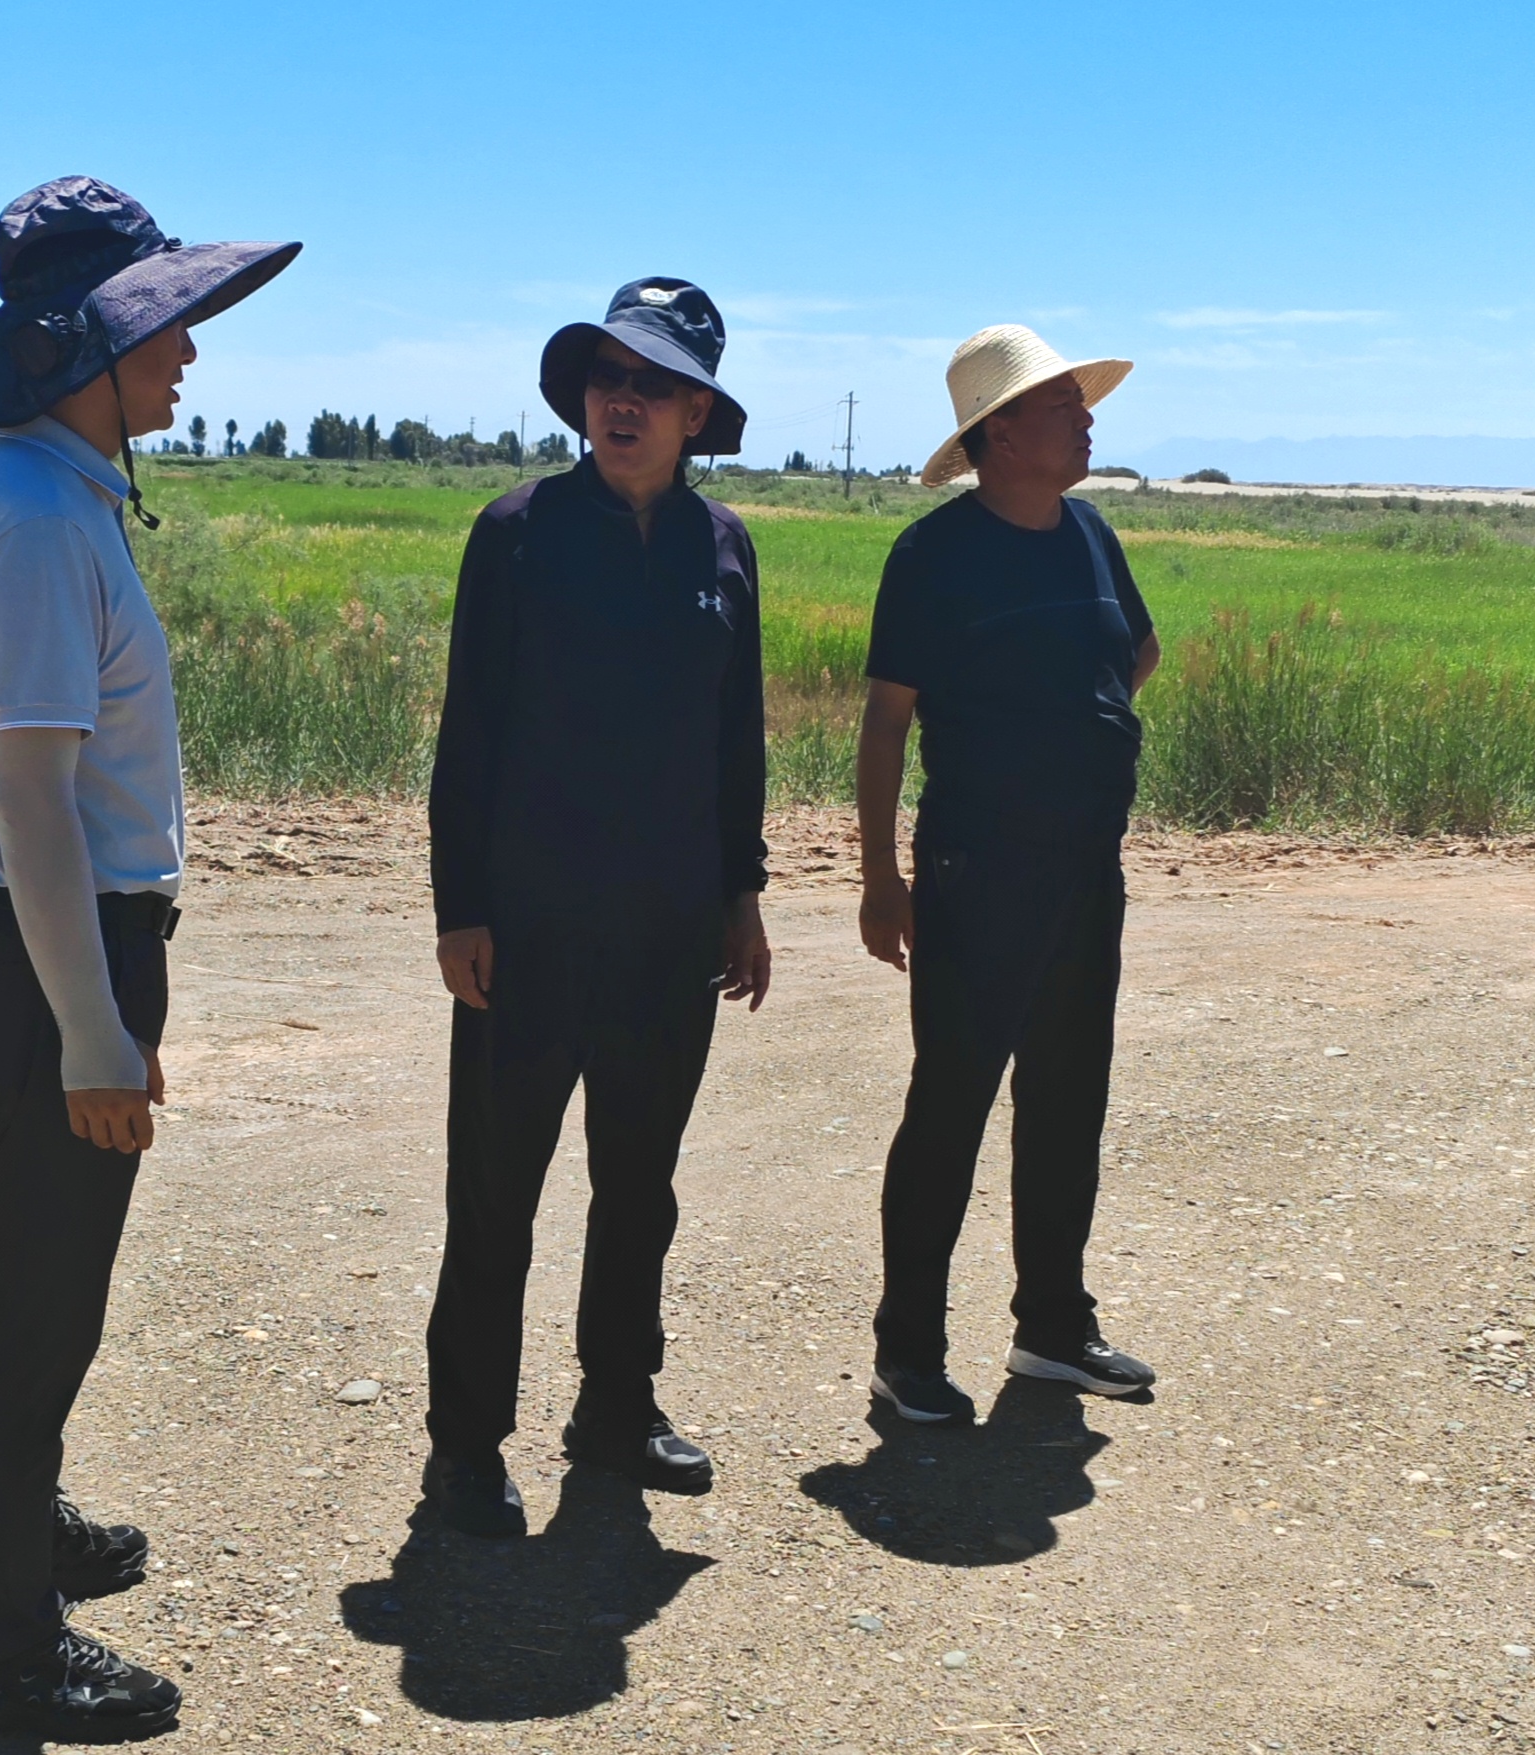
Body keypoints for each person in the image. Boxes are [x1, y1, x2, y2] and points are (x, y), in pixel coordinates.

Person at [0, 175, 298, 1741]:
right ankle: (2, 1642)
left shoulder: (4, 483)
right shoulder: (37, 517)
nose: (186, 351)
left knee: (42, 1284)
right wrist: (92, 1027)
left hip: (21, 950)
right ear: (80, 347)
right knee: (28, 1309)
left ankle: (26, 1522)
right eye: (160, 326)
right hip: (40, 953)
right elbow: (35, 801)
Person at [422, 279, 773, 1537]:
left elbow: (737, 741)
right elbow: (468, 735)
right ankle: (465, 1444)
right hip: (525, 931)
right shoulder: (515, 533)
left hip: (668, 934)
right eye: (605, 378)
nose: (622, 402)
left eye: (652, 385)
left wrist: (741, 895)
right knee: (493, 1195)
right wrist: (460, 908)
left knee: (639, 1188)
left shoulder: (722, 547)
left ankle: (615, 1410)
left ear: (695, 412)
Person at [855, 324, 1163, 1426]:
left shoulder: (1090, 534)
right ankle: (907, 1353)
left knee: (1068, 1100)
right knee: (950, 1104)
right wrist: (878, 875)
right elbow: (885, 722)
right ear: (997, 434)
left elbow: (1135, 650)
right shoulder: (933, 556)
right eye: (1062, 405)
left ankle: (1051, 1330)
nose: (1086, 419)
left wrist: (1080, 727)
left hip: (1085, 866)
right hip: (974, 870)